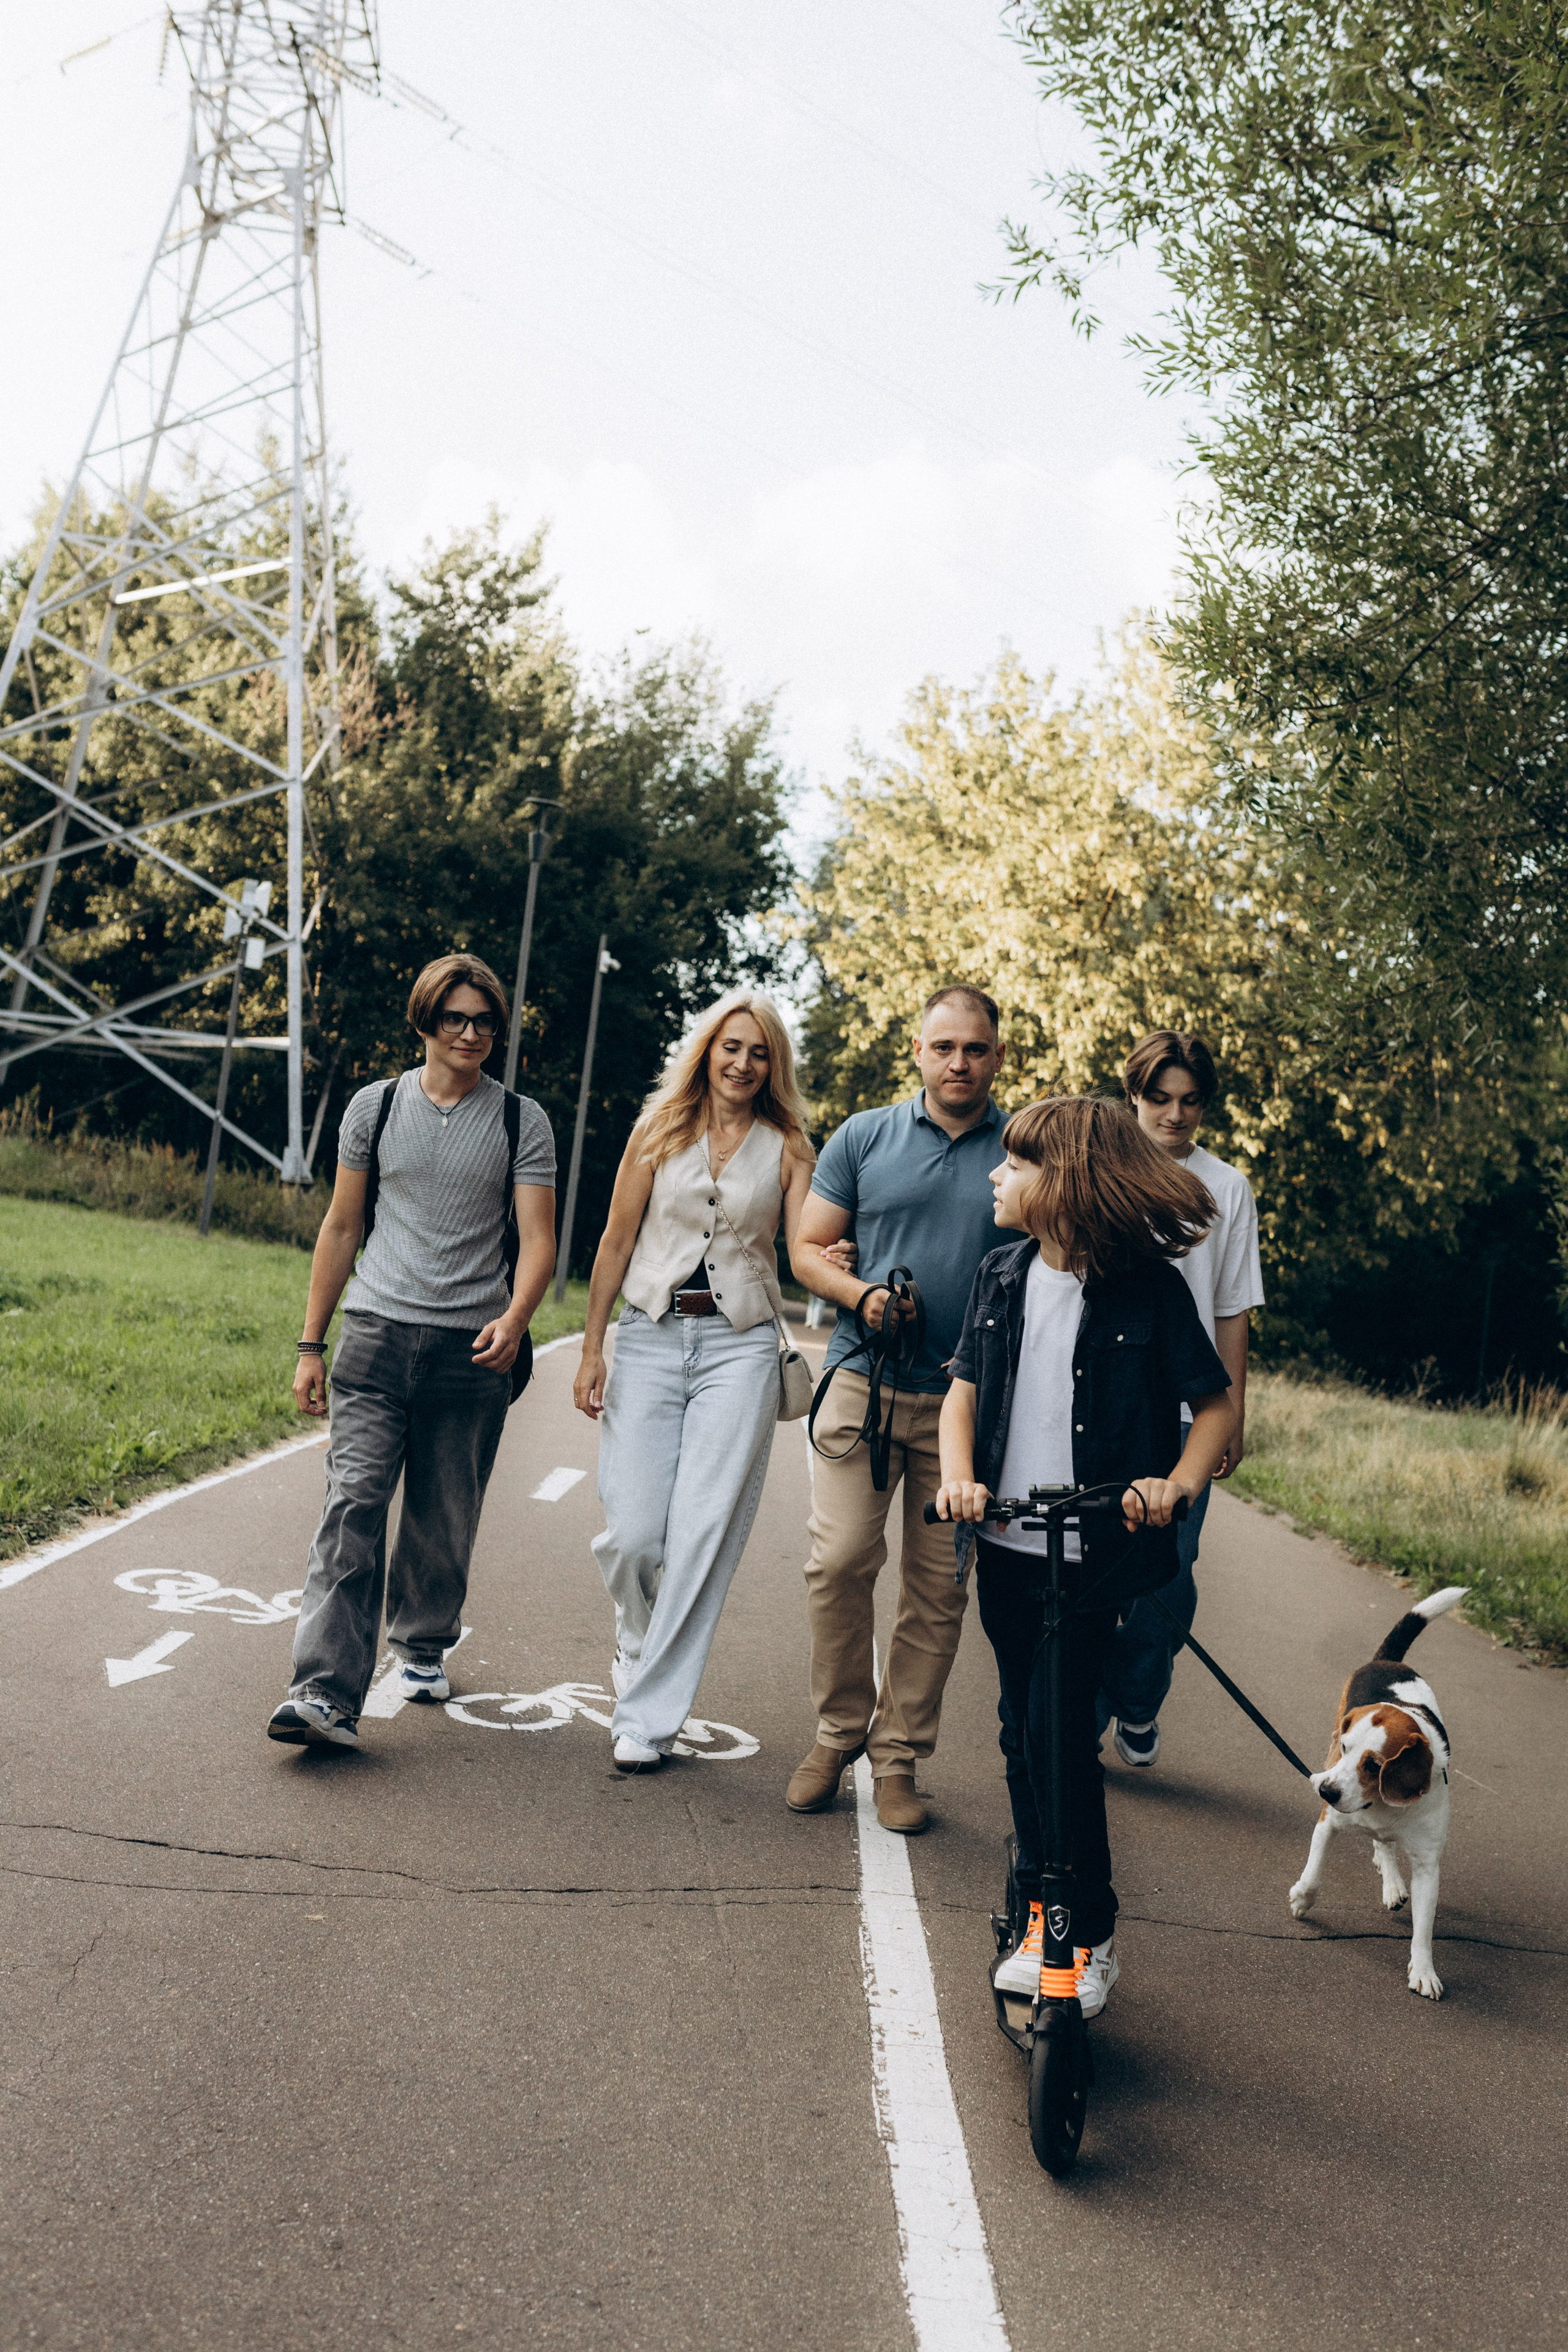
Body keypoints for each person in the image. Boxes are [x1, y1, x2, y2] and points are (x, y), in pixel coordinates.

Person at [936, 1096, 1235, 2016]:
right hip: (1008, 1547)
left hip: (1094, 1555)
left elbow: (1213, 1408)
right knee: (1023, 1732)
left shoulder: (1147, 1288)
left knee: (1060, 1733)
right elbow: (961, 1394)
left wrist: (1174, 1485)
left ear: (1060, 1181)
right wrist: (959, 1478)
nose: (997, 1175)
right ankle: (1038, 1907)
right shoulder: (1000, 1275)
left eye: (1015, 1165)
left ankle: (1082, 1931)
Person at [267, 954, 557, 1750]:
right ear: (426, 1021)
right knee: (353, 1504)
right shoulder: (376, 1105)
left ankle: (424, 1641)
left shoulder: (519, 1120)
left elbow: (539, 1240)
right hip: (376, 1338)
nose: (471, 1033)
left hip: (473, 1353)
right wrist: (309, 1343)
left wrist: (519, 1312)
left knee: (442, 1514)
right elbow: (340, 1227)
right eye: (456, 1018)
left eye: (485, 1021)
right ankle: (323, 1691)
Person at [573, 992, 816, 1773]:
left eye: (759, 1053)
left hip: (739, 1348)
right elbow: (614, 1243)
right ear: (707, 1051)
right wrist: (591, 1348)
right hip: (647, 1336)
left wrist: (840, 1268)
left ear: (772, 1066)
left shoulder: (789, 1147)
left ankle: (647, 1716)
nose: (743, 1063)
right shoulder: (659, 1129)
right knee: (636, 1532)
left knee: (703, 1534)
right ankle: (637, 1636)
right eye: (731, 1047)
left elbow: (807, 1246)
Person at [785, 984, 1008, 1835]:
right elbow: (806, 1250)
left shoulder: (1023, 1148)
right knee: (838, 1562)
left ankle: (899, 1758)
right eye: (944, 1047)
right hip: (861, 1384)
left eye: (975, 1049)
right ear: (917, 1051)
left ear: (997, 1056)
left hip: (970, 1404)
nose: (959, 1062)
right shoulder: (865, 1136)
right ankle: (837, 1732)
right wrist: (862, 1292)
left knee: (938, 1590)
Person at [1097, 1030, 1264, 1766]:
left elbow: (1232, 1308)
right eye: (1159, 1099)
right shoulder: (1097, 1168)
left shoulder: (1226, 1187)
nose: (1174, 1114)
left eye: (1190, 1101)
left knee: (1169, 1574)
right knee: (1095, 1570)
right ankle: (1082, 1714)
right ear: (1133, 1095)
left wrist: (1230, 1414)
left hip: (1183, 1413)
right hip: (1098, 1402)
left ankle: (1136, 1698)